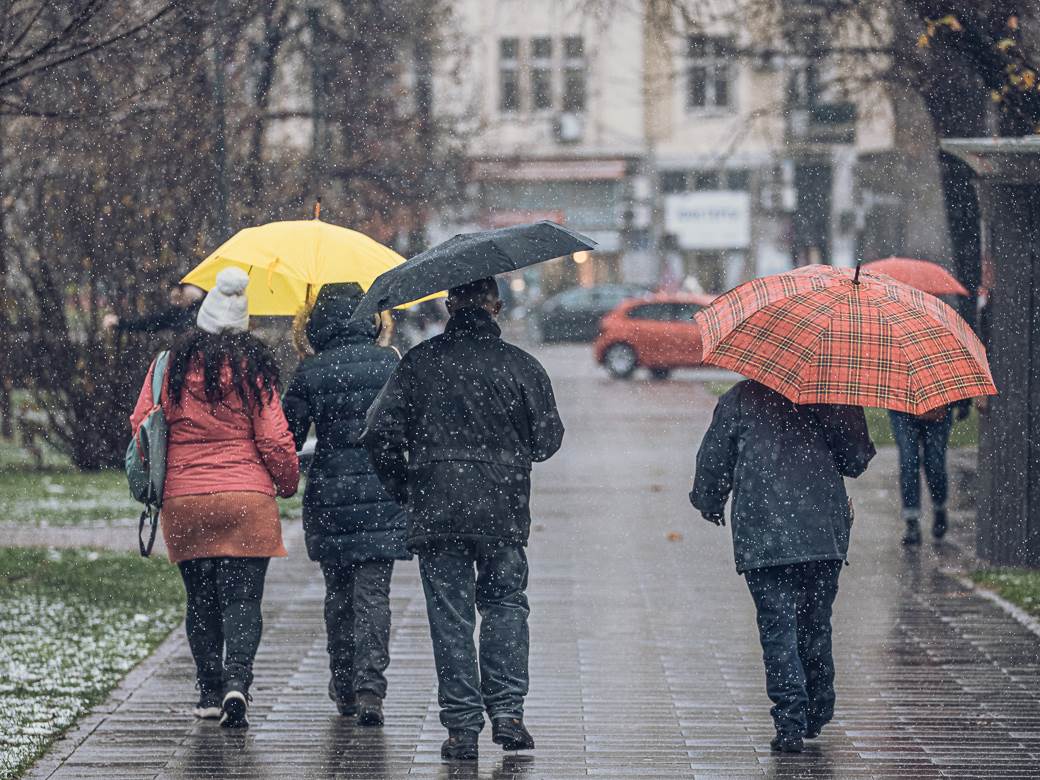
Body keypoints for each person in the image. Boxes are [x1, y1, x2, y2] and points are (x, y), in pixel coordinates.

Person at [362, 277, 564, 762]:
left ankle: (461, 728)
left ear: (451, 304)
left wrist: (406, 488)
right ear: (495, 305)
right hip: (503, 510)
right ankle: (509, 712)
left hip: (438, 509)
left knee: (449, 616)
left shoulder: (419, 364)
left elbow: (377, 433)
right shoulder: (521, 366)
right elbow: (548, 439)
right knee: (506, 606)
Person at [130, 268, 299, 729]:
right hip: (246, 500)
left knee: (200, 599)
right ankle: (236, 684)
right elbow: (274, 437)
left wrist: (162, 477)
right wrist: (285, 482)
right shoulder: (255, 370)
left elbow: (143, 425)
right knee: (243, 600)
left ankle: (208, 690)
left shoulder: (170, 365)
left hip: (186, 502)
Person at [690, 380, 874, 753]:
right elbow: (855, 461)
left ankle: (789, 720)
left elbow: (714, 460)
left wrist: (709, 500)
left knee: (778, 627)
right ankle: (818, 706)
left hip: (764, 532)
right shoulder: (836, 394)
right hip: (822, 531)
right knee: (815, 621)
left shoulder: (741, 398)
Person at [282, 283, 410, 726]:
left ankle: (345, 686)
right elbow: (406, 426)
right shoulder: (390, 363)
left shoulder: (312, 371)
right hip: (382, 493)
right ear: (371, 318)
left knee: (338, 596)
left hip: (330, 497)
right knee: (373, 595)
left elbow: (289, 438)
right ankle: (372, 687)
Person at [889, 401, 971, 545]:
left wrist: (963, 402)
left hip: (939, 407)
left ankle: (939, 506)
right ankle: (912, 521)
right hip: (902, 408)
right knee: (908, 462)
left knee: (935, 465)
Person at [106, 283, 205, 334]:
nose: (173, 303)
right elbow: (149, 322)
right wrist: (121, 323)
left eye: (177, 298)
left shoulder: (196, 311)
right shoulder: (176, 313)